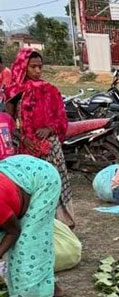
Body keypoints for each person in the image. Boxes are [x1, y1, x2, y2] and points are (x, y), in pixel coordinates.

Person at [3, 48, 73, 228]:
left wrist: (49, 129)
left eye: (40, 67)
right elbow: (10, 124)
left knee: (53, 181)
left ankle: (60, 224)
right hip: (26, 148)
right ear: (22, 67)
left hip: (50, 147)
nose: (37, 71)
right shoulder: (13, 92)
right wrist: (24, 139)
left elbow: (61, 119)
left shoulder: (50, 90)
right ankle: (33, 225)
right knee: (30, 186)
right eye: (33, 67)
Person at [0, 155, 60, 297]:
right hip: (18, 170)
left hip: (43, 180)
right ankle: (48, 287)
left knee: (27, 243)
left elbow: (13, 231)